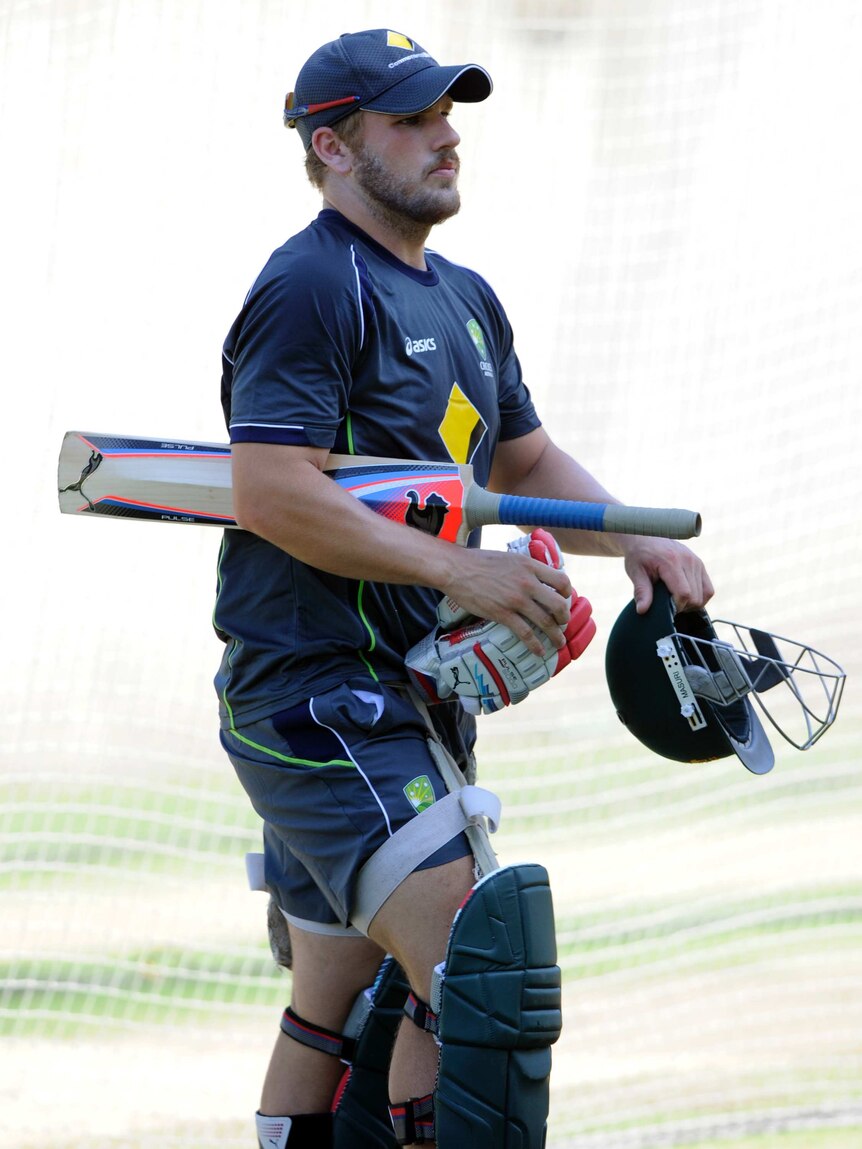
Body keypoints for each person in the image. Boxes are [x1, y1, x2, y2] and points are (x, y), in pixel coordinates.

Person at [213, 28, 714, 1149]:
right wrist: (459, 571)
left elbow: (520, 462)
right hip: (317, 696)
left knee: (347, 1005)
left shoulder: (467, 299)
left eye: (448, 113)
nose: (445, 135)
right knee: (481, 973)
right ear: (333, 147)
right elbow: (271, 491)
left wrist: (629, 539)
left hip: (412, 699)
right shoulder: (308, 287)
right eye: (410, 119)